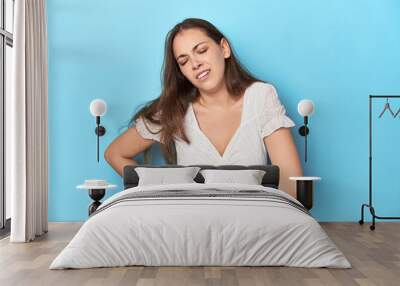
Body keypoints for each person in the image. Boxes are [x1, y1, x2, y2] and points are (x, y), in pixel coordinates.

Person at [104, 18, 303, 198]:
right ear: (181, 71)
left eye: (201, 51)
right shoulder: (175, 110)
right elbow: (115, 153)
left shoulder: (261, 96)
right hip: (192, 225)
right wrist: (157, 192)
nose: (195, 64)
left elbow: (290, 182)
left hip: (254, 223)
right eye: (184, 61)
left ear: (224, 48)